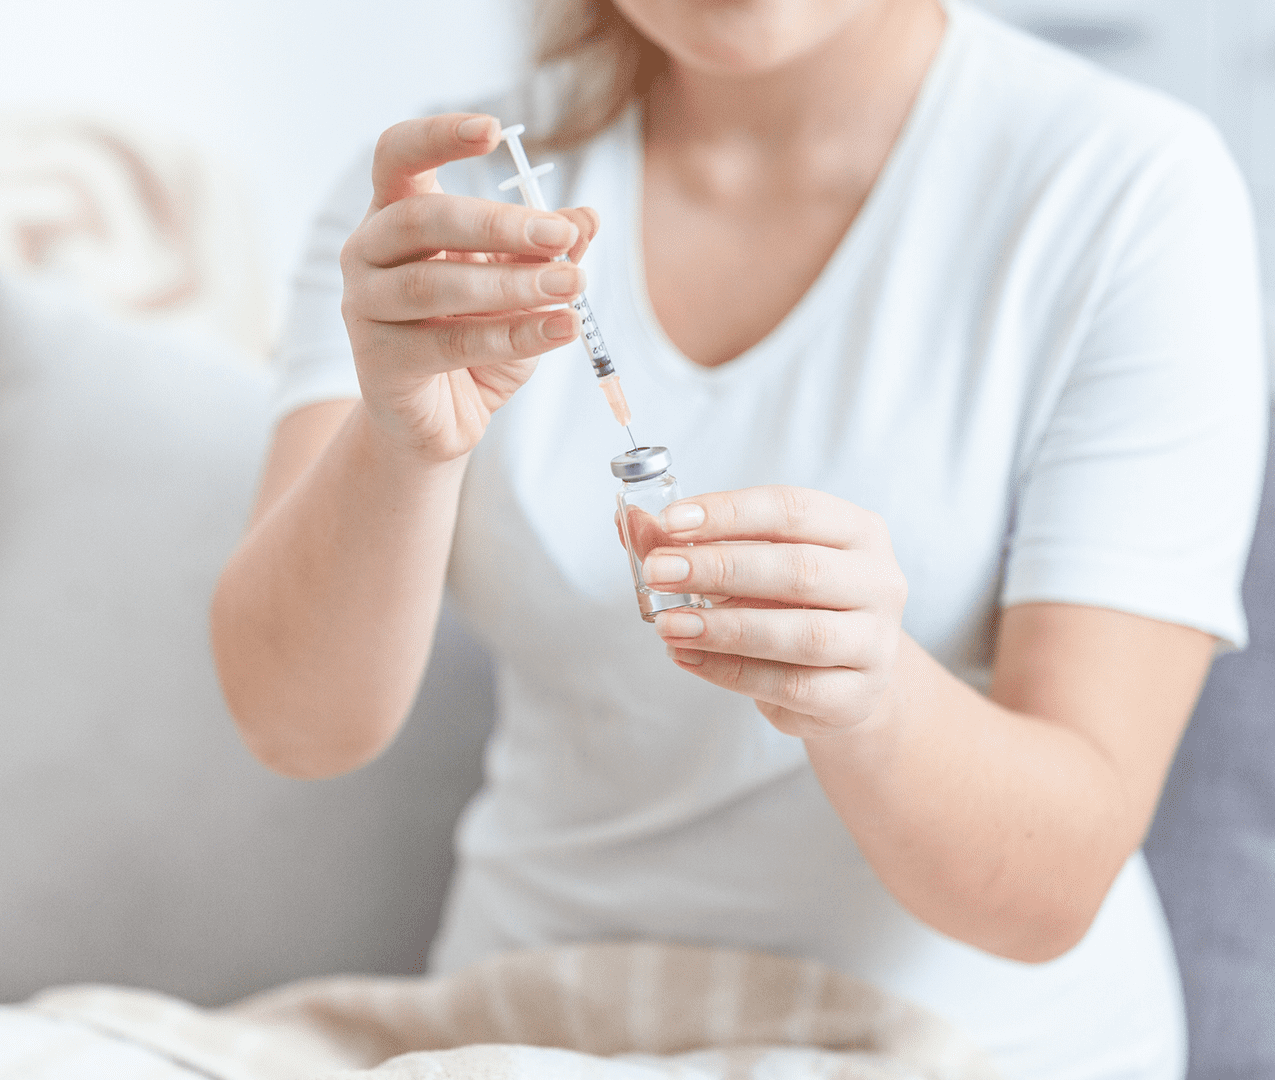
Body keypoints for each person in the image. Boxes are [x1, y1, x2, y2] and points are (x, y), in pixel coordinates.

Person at [210, 0, 1269, 1074]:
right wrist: (399, 444)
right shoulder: (444, 202)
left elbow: (1054, 889)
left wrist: (870, 694)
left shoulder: (1127, 189)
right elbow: (296, 729)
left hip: (947, 1039)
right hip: (529, 1020)